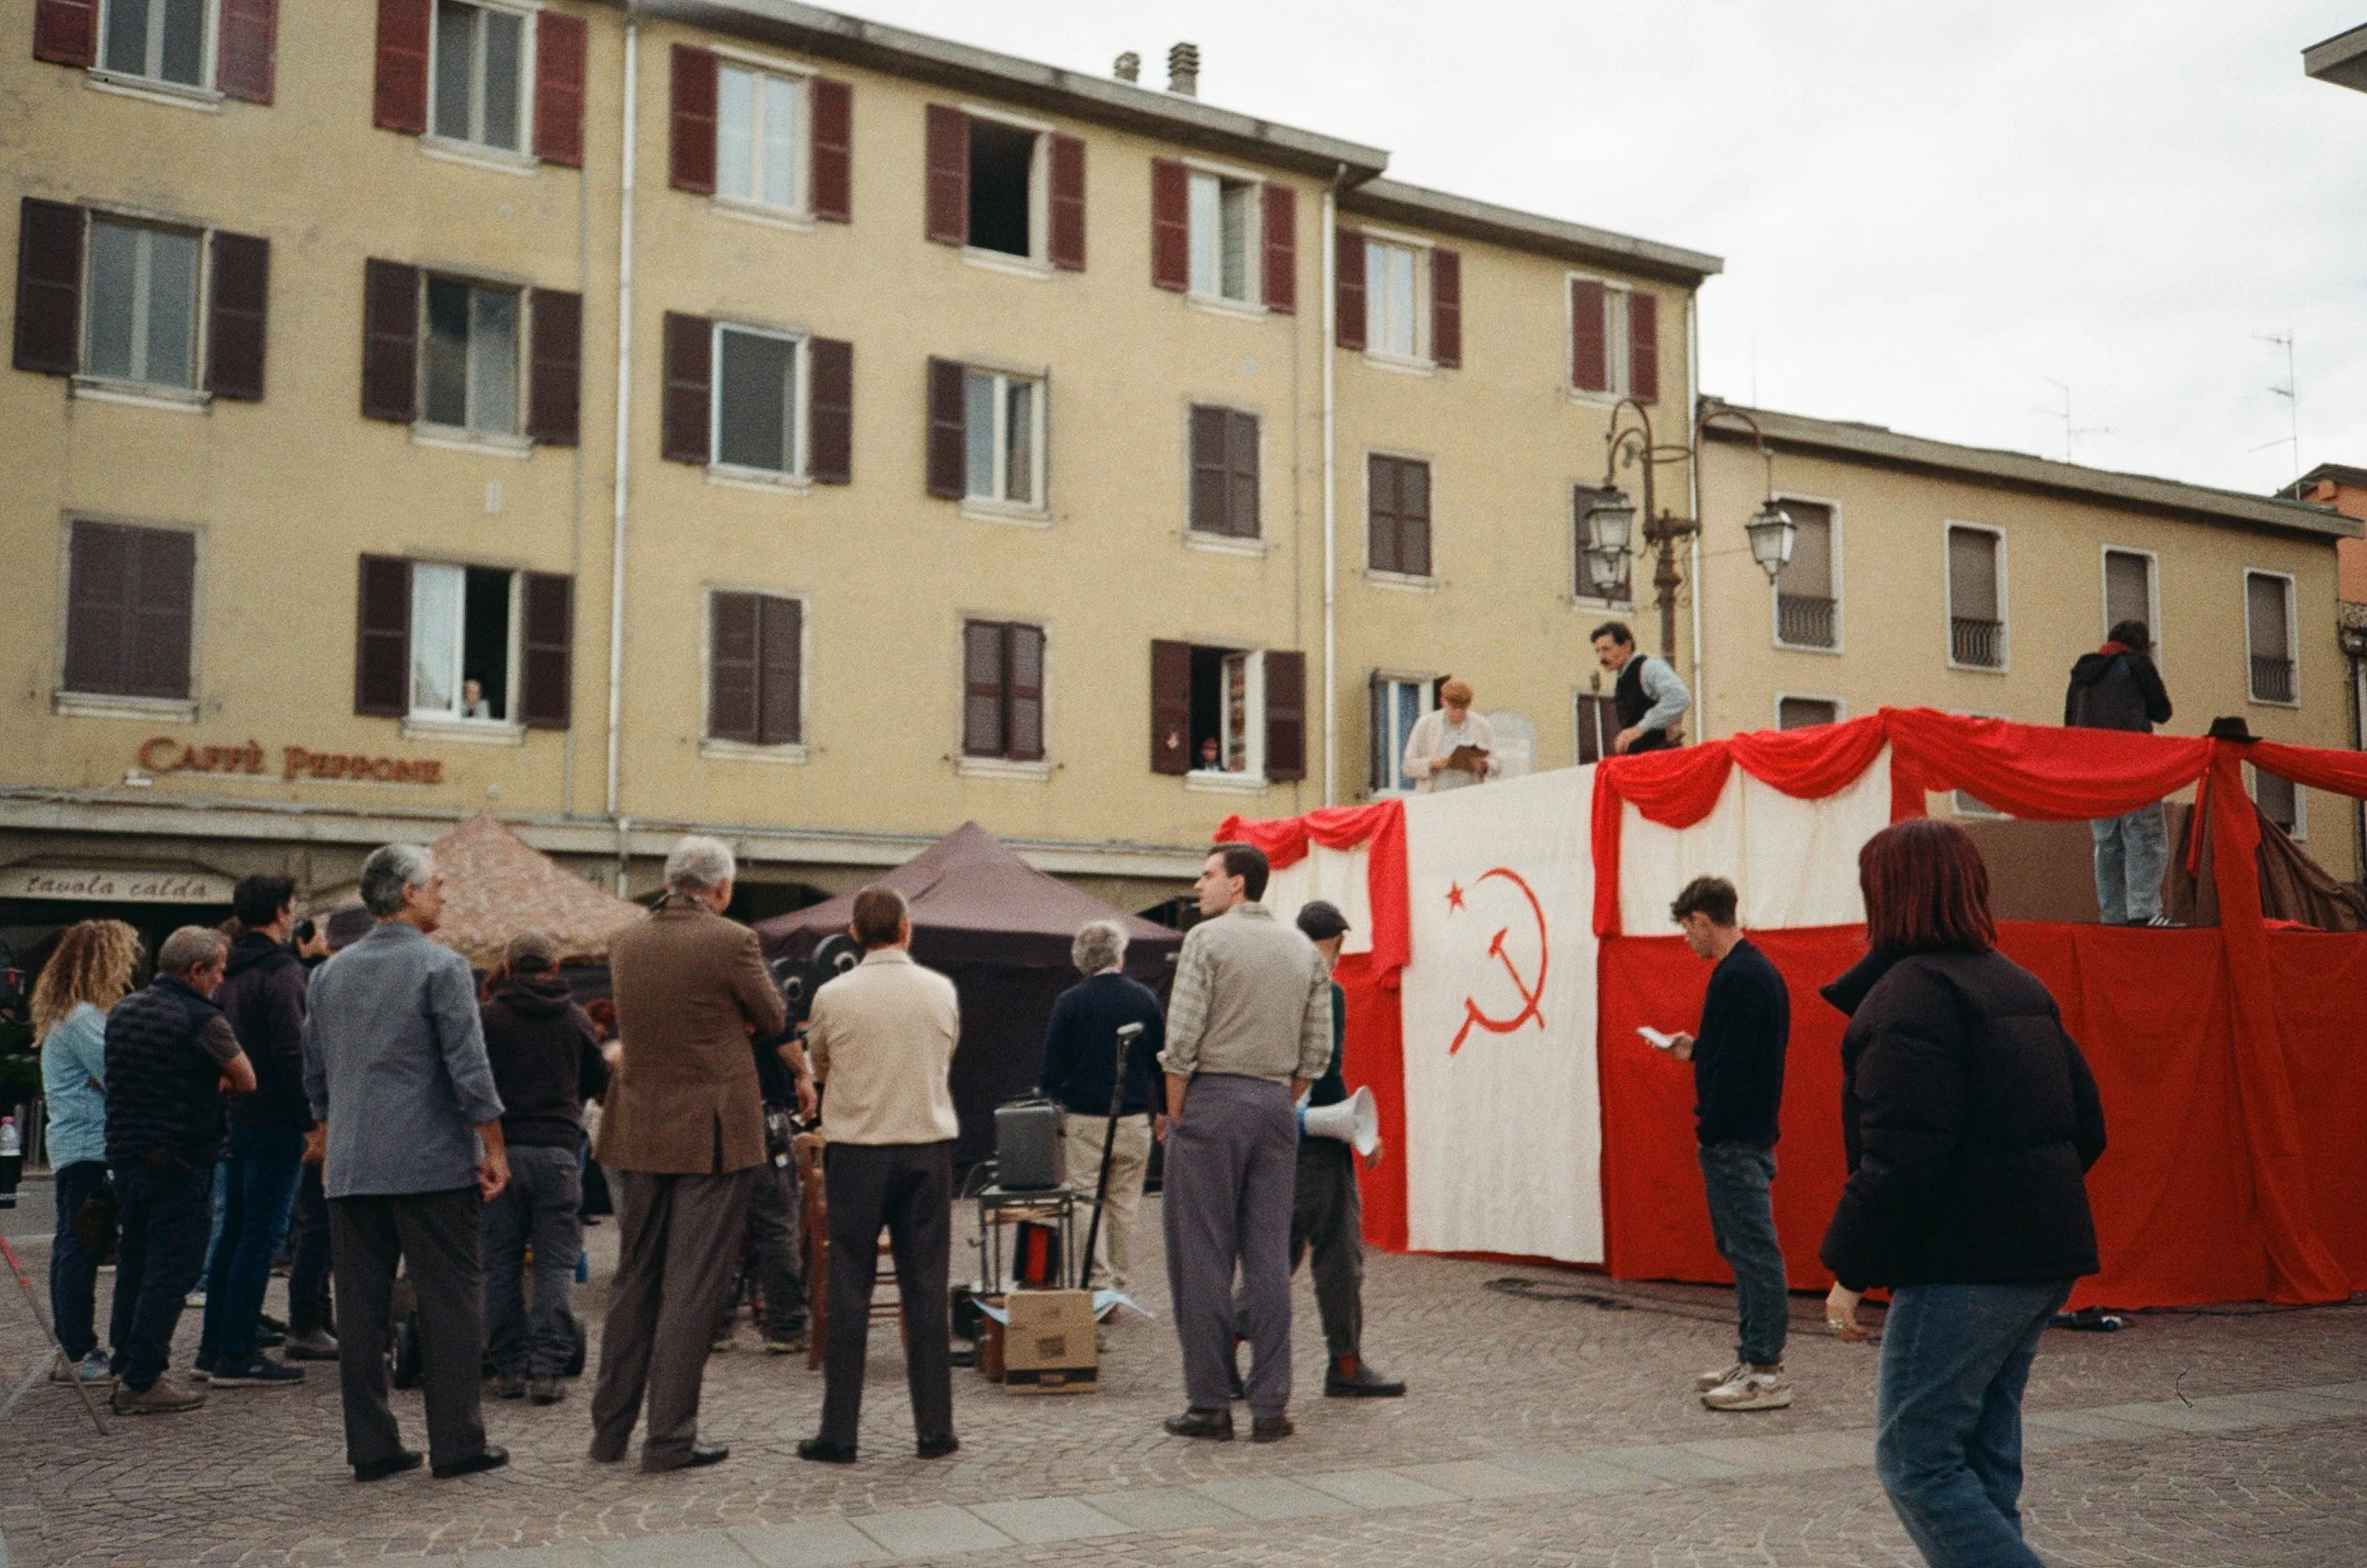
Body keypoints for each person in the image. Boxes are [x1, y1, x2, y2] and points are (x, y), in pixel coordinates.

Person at [1821, 820, 2108, 1568]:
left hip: (1966, 1266)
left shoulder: (1907, 998)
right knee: (1983, 1458)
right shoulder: (2018, 983)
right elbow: (2089, 1127)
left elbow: (1901, 1158)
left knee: (1917, 1462)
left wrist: (1850, 1272)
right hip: (2042, 1255)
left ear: (1884, 896)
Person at [303, 844, 511, 1483]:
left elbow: (314, 1072)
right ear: (410, 894)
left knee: (359, 1312)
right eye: (438, 886)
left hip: (352, 1162)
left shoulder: (327, 974)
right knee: (450, 1301)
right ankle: (457, 1442)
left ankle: (371, 1445)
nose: (444, 895)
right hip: (427, 1161)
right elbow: (468, 1068)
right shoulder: (442, 967)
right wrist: (493, 1146)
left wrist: (327, 1131)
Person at [592, 836, 791, 1473]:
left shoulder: (627, 940)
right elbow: (774, 1015)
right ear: (722, 886)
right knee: (692, 1285)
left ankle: (610, 1431)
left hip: (639, 1124)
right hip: (709, 1132)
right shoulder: (731, 941)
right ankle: (670, 1437)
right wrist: (744, 1025)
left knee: (635, 1279)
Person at [1158, 843, 1332, 1444]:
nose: (1198, 883)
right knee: (1267, 1259)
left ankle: (1209, 1403)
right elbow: (1317, 1051)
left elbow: (1180, 1040)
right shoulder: (1303, 950)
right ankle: (1270, 1406)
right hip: (1273, 1105)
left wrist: (1179, 1112)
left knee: (1202, 1255)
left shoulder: (1205, 942)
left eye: (1207, 874)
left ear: (1237, 885)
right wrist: (1280, 1100)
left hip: (1211, 1100)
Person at [796, 886, 962, 1466]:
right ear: (907, 929)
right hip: (925, 1146)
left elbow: (820, 1064)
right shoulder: (940, 990)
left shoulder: (832, 994)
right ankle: (934, 1429)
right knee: (926, 1289)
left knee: (848, 1286)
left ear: (854, 934)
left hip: (858, 1149)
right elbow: (944, 1057)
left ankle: (839, 1432)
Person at [1231, 901, 1405, 1399]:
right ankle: (1344, 1364)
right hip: (1316, 1142)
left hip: (1275, 1131)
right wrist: (1356, 1131)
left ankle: (1225, 1349)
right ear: (1336, 943)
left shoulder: (1269, 986)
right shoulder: (1327, 991)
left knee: (1279, 1251)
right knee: (1337, 1255)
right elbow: (1325, 1070)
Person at [103, 926, 256, 1415]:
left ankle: (123, 1361)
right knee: (174, 1268)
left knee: (135, 1262)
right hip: (182, 1158)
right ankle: (143, 1379)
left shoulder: (125, 1010)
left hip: (127, 1154)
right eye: (218, 969)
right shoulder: (203, 1019)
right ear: (196, 971)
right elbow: (246, 1078)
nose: (222, 978)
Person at [1656, 877, 1792, 1412]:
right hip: (1743, 1134)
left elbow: (1737, 1070)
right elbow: (1738, 1052)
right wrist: (1698, 1050)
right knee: (1743, 1250)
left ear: (1703, 921)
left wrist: (1711, 1129)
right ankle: (1753, 1356)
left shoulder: (1736, 977)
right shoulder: (1756, 971)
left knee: (1754, 1253)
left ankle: (1764, 1370)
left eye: (1687, 929)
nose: (1688, 940)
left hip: (1734, 1138)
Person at [480, 931, 609, 1405]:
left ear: (508, 970)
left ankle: (509, 1368)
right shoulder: (575, 1018)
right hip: (557, 1153)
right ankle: (547, 1370)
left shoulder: (488, 1018)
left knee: (499, 1264)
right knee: (555, 1264)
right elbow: (600, 1080)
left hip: (501, 1154)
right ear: (554, 969)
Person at [197, 874, 312, 1388]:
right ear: (282, 914)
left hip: (237, 1117)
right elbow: (292, 1051)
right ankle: (238, 1351)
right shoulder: (280, 972)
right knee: (261, 1236)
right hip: (274, 1120)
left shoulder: (230, 973)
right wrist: (310, 1119)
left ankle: (211, 1347)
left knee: (234, 1235)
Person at [34, 919, 142, 1385]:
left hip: (82, 1142)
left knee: (77, 1242)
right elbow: (121, 1069)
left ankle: (73, 1345)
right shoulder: (81, 1018)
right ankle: (78, 1349)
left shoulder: (74, 1014)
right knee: (80, 1242)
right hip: (88, 1144)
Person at [1040, 919, 1166, 1296]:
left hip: (1084, 1120)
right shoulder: (1144, 998)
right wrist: (1163, 1110)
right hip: (1133, 1117)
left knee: (1084, 1200)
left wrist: (1061, 1093)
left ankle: (1098, 1283)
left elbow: (1050, 1070)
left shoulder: (1068, 1003)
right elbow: (1162, 1058)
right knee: (1124, 1204)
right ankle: (1120, 1283)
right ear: (1119, 954)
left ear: (1081, 960)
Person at [285, 903, 373, 1365]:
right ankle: (306, 1323)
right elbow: (314, 1062)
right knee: (320, 1228)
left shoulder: (322, 980)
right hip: (329, 1123)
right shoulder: (336, 983)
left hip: (320, 1121)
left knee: (316, 1227)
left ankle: (317, 1317)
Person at [2064, 619, 2176, 926]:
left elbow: (2069, 725)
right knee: (2145, 836)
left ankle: (2112, 916)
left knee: (2107, 844)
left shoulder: (2082, 673)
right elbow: (2162, 711)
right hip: (2134, 766)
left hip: (2095, 773)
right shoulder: (2136, 664)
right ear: (2141, 644)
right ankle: (2143, 912)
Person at [711, 1021, 810, 1357]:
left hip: (706, 1118)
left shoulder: (692, 985)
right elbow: (783, 1036)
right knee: (776, 1224)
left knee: (718, 1226)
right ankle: (785, 1328)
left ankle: (714, 1327)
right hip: (760, 1114)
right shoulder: (757, 982)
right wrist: (803, 1075)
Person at [1591, 621, 1690, 755]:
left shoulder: (1649, 667)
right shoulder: (1623, 676)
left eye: (1606, 649)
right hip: (1644, 759)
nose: (1601, 657)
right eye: (1598, 651)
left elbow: (1679, 697)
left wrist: (1639, 729)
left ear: (1626, 646)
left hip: (1660, 757)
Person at [1400, 678, 1500, 793]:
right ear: (1442, 701)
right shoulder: (1426, 724)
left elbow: (1497, 764)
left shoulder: (1482, 725)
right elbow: (1407, 766)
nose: (1458, 712)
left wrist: (1484, 766)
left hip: (1470, 798)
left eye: (1463, 708)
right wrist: (1432, 763)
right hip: (1434, 798)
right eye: (1453, 707)